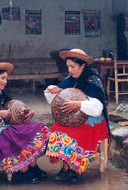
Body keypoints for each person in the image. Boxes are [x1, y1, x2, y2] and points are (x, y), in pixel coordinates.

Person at [0, 62, 50, 184]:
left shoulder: (2, 92)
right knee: (12, 136)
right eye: (2, 78)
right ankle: (22, 170)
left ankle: (32, 166)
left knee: (35, 129)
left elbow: (14, 108)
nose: (5, 81)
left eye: (6, 78)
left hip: (3, 127)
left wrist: (28, 112)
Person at [45, 49, 110, 183]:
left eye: (73, 67)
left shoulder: (93, 80)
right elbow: (57, 100)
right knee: (57, 128)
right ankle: (65, 165)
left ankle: (76, 168)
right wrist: (55, 91)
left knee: (78, 133)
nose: (70, 70)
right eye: (68, 66)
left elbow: (98, 108)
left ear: (83, 65)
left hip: (92, 119)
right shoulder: (70, 80)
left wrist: (79, 104)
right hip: (71, 118)